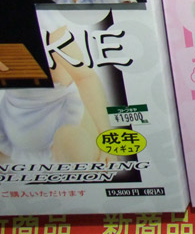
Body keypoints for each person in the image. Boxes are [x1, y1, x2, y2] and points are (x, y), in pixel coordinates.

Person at [0, 25, 114, 163]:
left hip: (63, 115)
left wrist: (106, 137)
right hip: (12, 120)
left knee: (74, 145)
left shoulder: (53, 36)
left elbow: (85, 77)